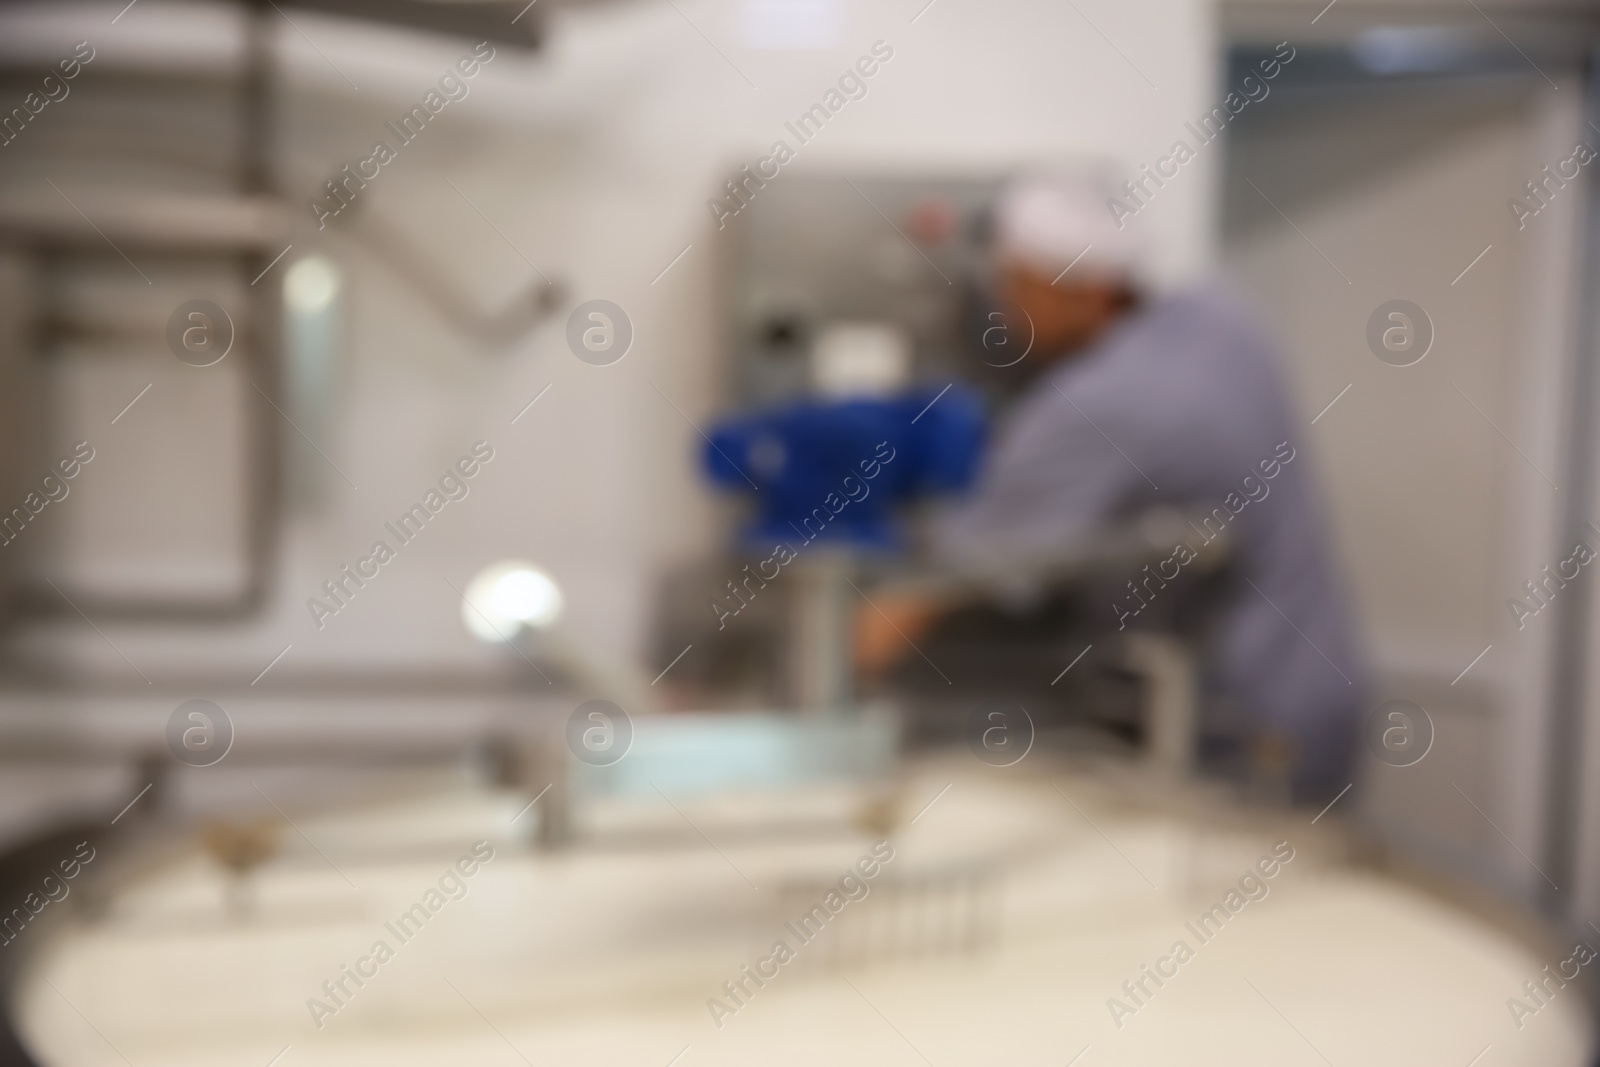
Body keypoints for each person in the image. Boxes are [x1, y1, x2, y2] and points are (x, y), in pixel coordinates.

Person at [856, 167, 1367, 804]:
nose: (1005, 308)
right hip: (1320, 690)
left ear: (1085, 292)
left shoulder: (1100, 404)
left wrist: (834, 687)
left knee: (1234, 893)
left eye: (1020, 286)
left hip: (1244, 722)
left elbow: (949, 579)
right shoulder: (1221, 321)